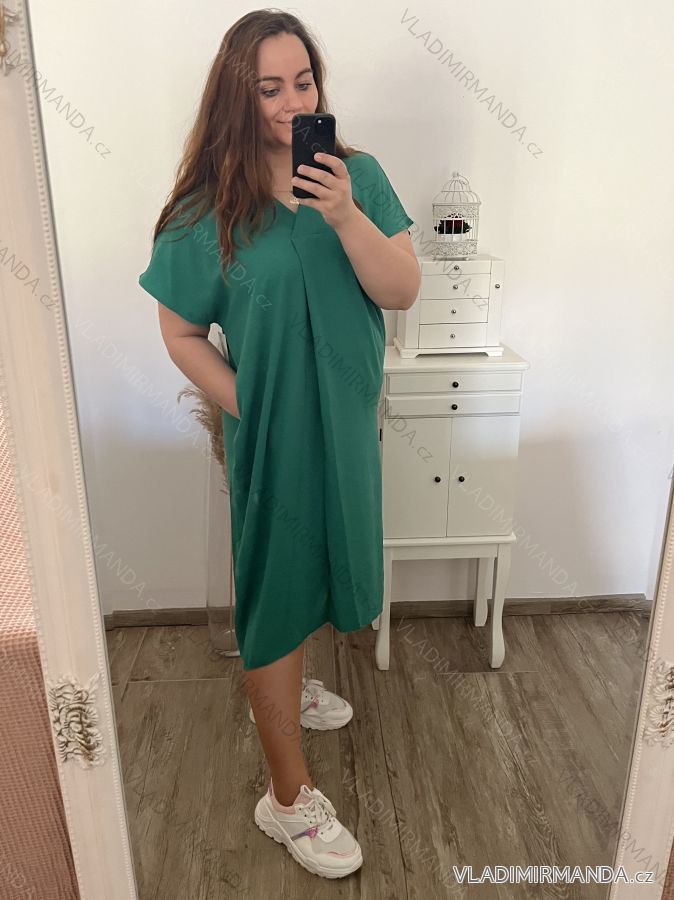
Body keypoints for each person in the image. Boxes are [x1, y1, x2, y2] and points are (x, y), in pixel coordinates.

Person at [138, 9, 420, 880]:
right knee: (273, 591)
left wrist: (344, 215)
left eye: (304, 81)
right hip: (273, 438)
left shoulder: (355, 177)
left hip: (349, 425)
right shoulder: (205, 211)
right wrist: (248, 407)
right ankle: (287, 799)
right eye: (270, 88)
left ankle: (295, 687)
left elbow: (401, 289)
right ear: (237, 95)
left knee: (332, 557)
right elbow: (180, 332)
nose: (293, 101)